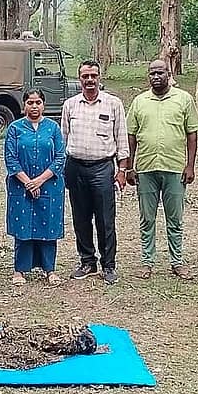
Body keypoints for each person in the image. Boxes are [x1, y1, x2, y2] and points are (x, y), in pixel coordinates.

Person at [126, 60, 198, 280]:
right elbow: (131, 135)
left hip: (174, 167)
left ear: (169, 74)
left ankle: (177, 261)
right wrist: (130, 166)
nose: (156, 76)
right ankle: (147, 261)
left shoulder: (184, 99)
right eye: (152, 73)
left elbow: (192, 134)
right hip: (146, 168)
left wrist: (190, 165)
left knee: (175, 218)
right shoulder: (140, 101)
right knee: (147, 218)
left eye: (160, 72)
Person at [61, 60, 130, 285]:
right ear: (79, 78)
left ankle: (108, 265)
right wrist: (63, 169)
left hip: (103, 168)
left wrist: (122, 170)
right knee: (80, 218)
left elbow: (122, 139)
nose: (89, 80)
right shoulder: (70, 105)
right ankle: (87, 262)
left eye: (93, 76)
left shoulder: (113, 104)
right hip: (76, 167)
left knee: (105, 219)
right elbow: (63, 139)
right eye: (85, 76)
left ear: (99, 77)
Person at [4, 89, 66, 286]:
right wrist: (28, 182)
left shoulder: (53, 128)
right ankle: (20, 270)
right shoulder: (15, 128)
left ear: (43, 105)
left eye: (38, 102)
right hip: (20, 186)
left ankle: (50, 270)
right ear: (24, 105)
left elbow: (60, 157)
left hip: (49, 185)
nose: (34, 106)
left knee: (48, 224)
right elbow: (10, 158)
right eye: (30, 102)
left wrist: (39, 180)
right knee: (23, 225)